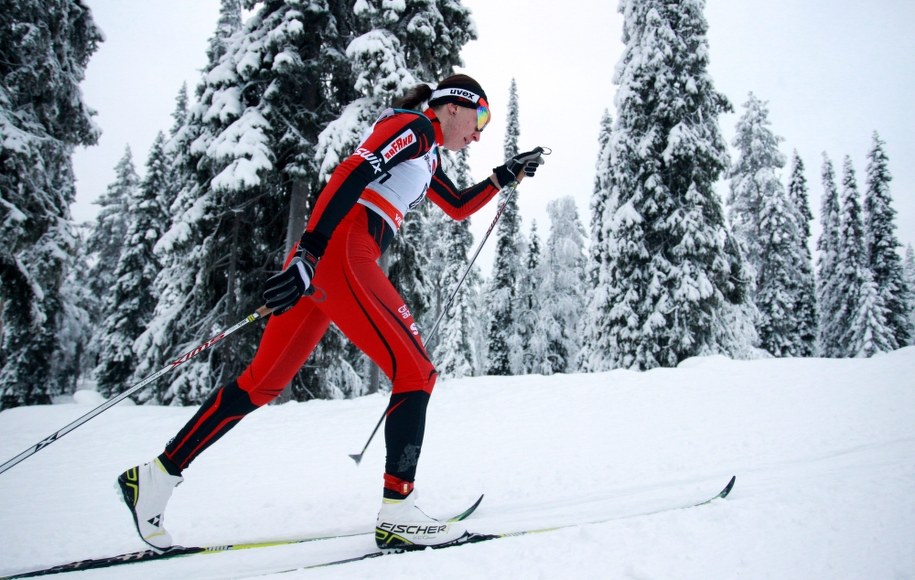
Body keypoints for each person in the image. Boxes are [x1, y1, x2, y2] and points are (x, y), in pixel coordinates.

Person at [117, 74, 545, 551]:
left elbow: (458, 206)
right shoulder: (415, 127)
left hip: (331, 258)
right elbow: (352, 172)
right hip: (341, 250)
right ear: (452, 106)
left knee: (261, 384)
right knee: (416, 372)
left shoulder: (427, 154)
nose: (479, 132)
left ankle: (155, 477)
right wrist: (310, 251)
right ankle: (399, 512)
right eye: (480, 117)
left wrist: (505, 175)